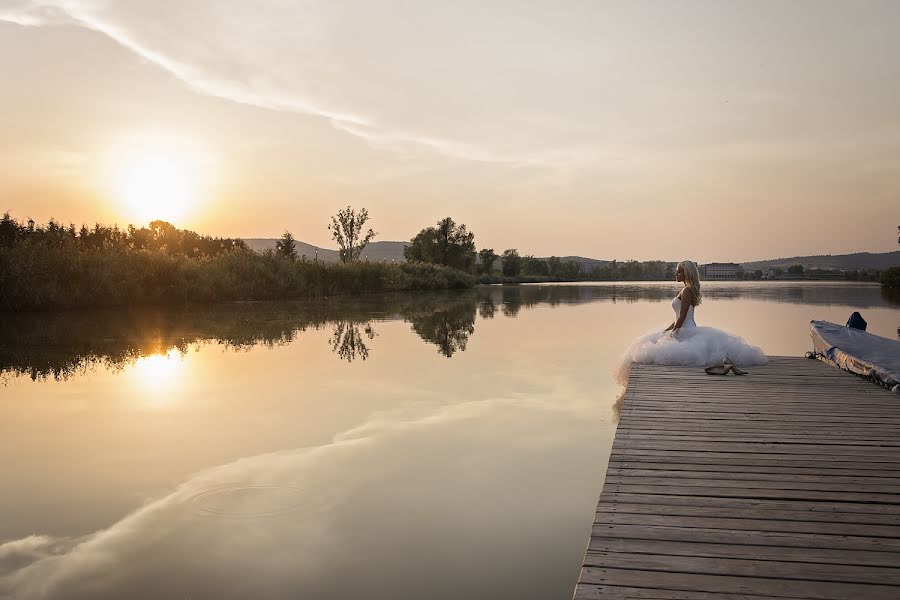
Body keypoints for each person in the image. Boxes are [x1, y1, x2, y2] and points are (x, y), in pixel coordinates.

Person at [615, 260, 766, 385]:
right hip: (684, 327)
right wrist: (667, 330)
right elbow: (677, 318)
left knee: (656, 350)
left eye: (679, 271)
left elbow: (682, 316)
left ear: (687, 273)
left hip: (686, 330)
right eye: (677, 271)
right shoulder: (685, 290)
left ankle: (726, 363)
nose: (676, 274)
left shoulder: (687, 291)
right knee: (650, 341)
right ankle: (726, 363)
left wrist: (673, 334)